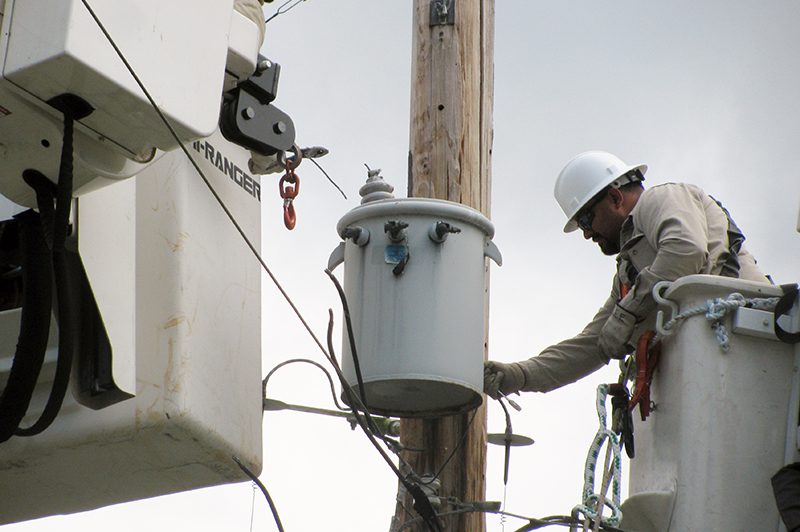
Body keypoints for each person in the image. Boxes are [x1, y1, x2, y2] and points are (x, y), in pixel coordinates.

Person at [484, 151, 770, 398]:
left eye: (585, 219)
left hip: (751, 344)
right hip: (705, 371)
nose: (586, 234)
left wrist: (628, 312)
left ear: (615, 197)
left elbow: (686, 249)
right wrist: (519, 375)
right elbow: (594, 343)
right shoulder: (629, 273)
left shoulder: (660, 199)